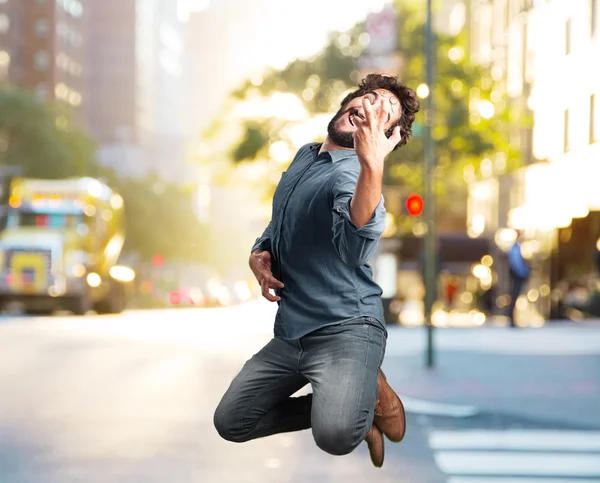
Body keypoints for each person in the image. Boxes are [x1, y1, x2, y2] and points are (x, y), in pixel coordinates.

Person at [213, 74, 420, 468]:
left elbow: (355, 243)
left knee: (337, 435)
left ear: (384, 137)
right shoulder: (306, 156)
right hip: (294, 331)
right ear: (350, 101)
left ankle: (367, 395)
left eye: (384, 113)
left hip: (347, 328)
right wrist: (259, 250)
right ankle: (359, 399)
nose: (370, 109)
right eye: (370, 98)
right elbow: (283, 222)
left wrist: (371, 166)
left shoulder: (353, 174)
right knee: (233, 420)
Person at [507, 232, 531, 327]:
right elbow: (516, 263)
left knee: (514, 297)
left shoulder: (517, 248)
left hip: (517, 275)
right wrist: (524, 273)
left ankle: (512, 319)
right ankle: (511, 319)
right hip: (517, 276)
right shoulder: (515, 249)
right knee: (514, 297)